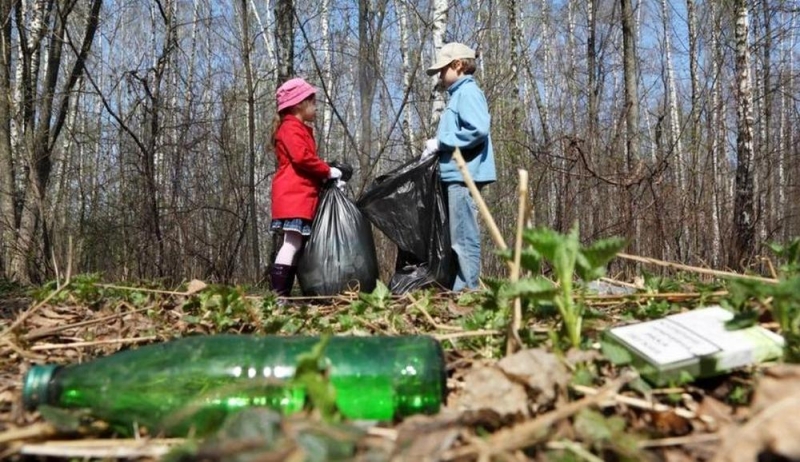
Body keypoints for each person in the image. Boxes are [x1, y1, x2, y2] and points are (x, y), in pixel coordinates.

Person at [422, 42, 496, 291]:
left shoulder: (468, 93)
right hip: (456, 174)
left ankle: (467, 292)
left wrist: (441, 143)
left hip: (465, 175)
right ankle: (461, 287)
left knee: (463, 236)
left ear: (458, 65)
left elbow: (478, 129)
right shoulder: (459, 94)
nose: (440, 77)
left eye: (442, 71)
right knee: (458, 235)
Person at [269, 77, 342, 296]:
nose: (316, 107)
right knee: (291, 244)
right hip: (294, 196)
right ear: (299, 104)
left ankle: (282, 295)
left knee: (295, 244)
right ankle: (279, 296)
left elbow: (304, 159)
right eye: (312, 101)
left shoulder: (296, 128)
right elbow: (302, 158)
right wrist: (327, 170)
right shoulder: (291, 129)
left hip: (298, 196)